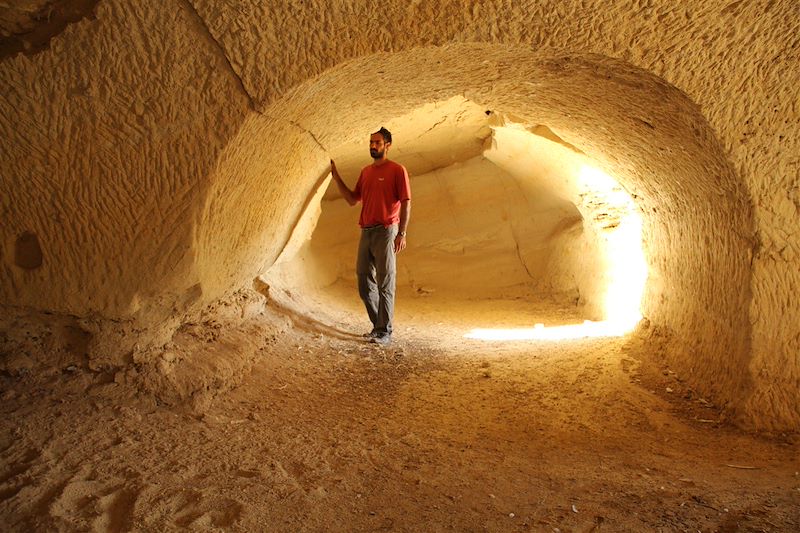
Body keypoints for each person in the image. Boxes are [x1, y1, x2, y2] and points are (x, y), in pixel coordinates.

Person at [330, 127, 411, 346]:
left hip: (386, 231)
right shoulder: (366, 172)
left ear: (387, 145)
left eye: (377, 142)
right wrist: (336, 178)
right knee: (364, 282)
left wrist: (401, 233)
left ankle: (385, 331)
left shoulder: (397, 170)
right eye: (371, 142)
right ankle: (378, 326)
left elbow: (405, 202)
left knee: (386, 281)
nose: (372, 146)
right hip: (366, 231)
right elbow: (352, 199)